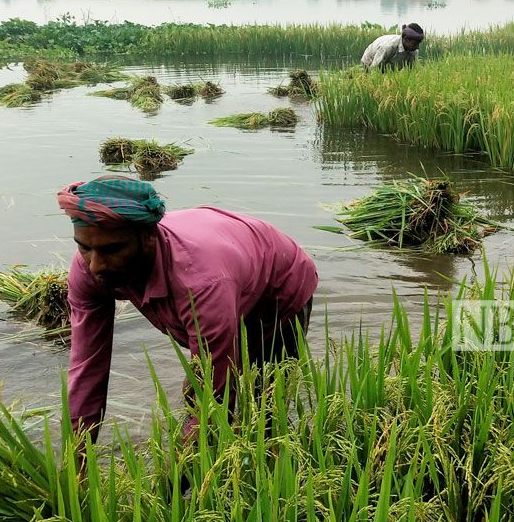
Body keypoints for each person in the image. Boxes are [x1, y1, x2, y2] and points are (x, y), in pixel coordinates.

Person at [57, 176, 318, 445]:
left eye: (112, 249)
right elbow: (87, 368)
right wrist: (77, 464)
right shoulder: (88, 272)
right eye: (84, 247)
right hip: (226, 266)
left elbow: (213, 404)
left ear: (148, 237)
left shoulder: (200, 283)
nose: (96, 266)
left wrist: (168, 484)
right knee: (196, 391)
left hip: (276, 287)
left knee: (264, 405)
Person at [361, 23, 425, 72]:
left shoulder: (413, 50)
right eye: (415, 44)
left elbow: (411, 71)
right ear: (406, 40)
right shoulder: (388, 47)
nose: (417, 47)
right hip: (369, 62)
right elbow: (374, 70)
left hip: (389, 66)